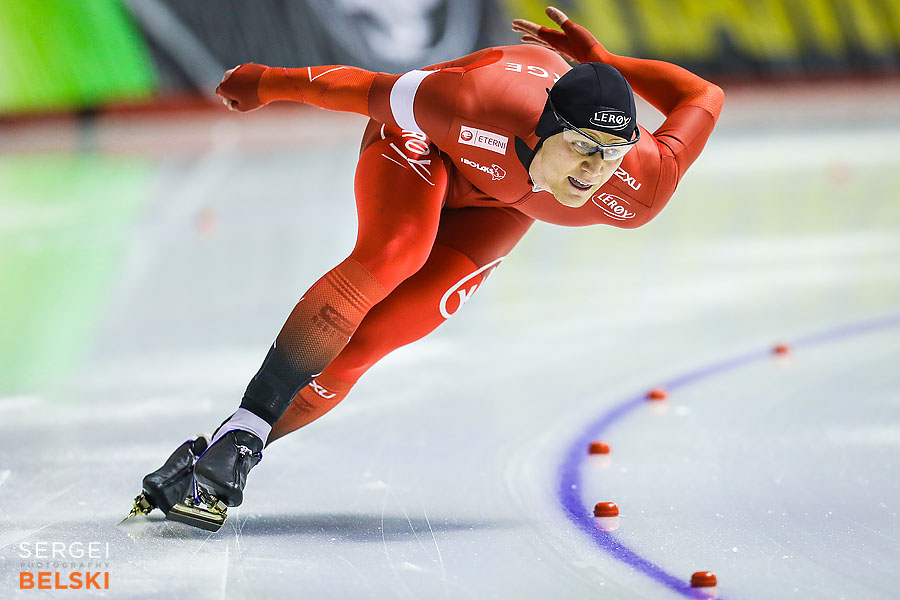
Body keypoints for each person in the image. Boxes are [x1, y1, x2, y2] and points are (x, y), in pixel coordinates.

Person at [129, 6, 723, 530]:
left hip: (501, 205)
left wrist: (604, 58)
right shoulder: (470, 100)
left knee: (373, 341)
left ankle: (226, 447)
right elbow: (364, 89)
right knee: (397, 253)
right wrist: (266, 83)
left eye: (611, 154)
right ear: (542, 129)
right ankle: (244, 428)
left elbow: (704, 98)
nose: (595, 170)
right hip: (424, 146)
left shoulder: (639, 188)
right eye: (582, 147)